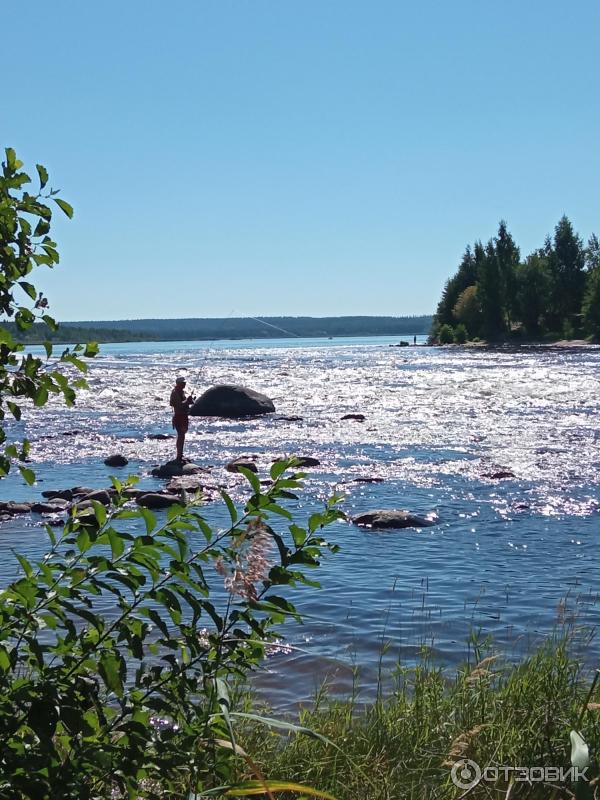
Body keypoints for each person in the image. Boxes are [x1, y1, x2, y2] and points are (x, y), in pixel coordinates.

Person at [170, 376, 194, 462]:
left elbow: (185, 403)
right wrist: (187, 401)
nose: (185, 384)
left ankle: (180, 455)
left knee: (182, 436)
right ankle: (178, 456)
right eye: (183, 383)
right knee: (181, 435)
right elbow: (179, 405)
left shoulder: (182, 392)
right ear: (178, 384)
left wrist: (190, 401)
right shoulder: (175, 393)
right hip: (179, 416)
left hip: (184, 416)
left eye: (185, 383)